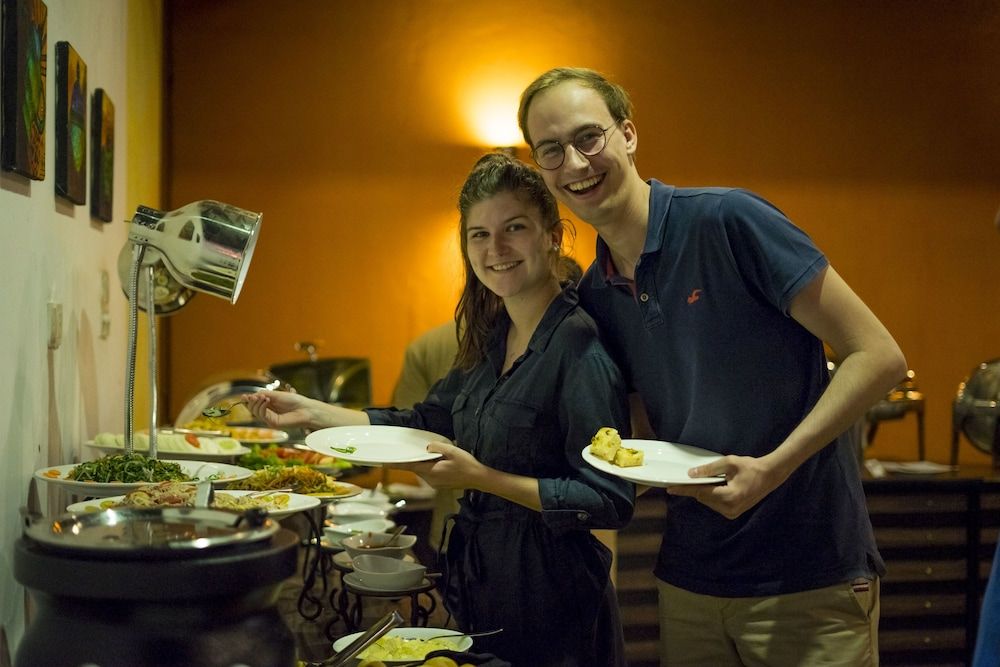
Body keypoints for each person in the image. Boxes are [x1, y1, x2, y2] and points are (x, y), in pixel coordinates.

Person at [518, 67, 908, 667]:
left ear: (628, 134)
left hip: (808, 574)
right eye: (551, 150)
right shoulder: (596, 292)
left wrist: (773, 468)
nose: (574, 163)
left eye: (588, 137)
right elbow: (644, 434)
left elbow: (878, 356)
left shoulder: (728, 221)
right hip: (690, 580)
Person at [247, 152, 635, 666]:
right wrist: (313, 412)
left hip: (553, 601)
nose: (495, 249)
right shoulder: (494, 336)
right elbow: (425, 420)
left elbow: (609, 499)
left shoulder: (579, 345)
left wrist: (481, 477)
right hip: (482, 586)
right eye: (479, 235)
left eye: (514, 228)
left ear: (552, 235)